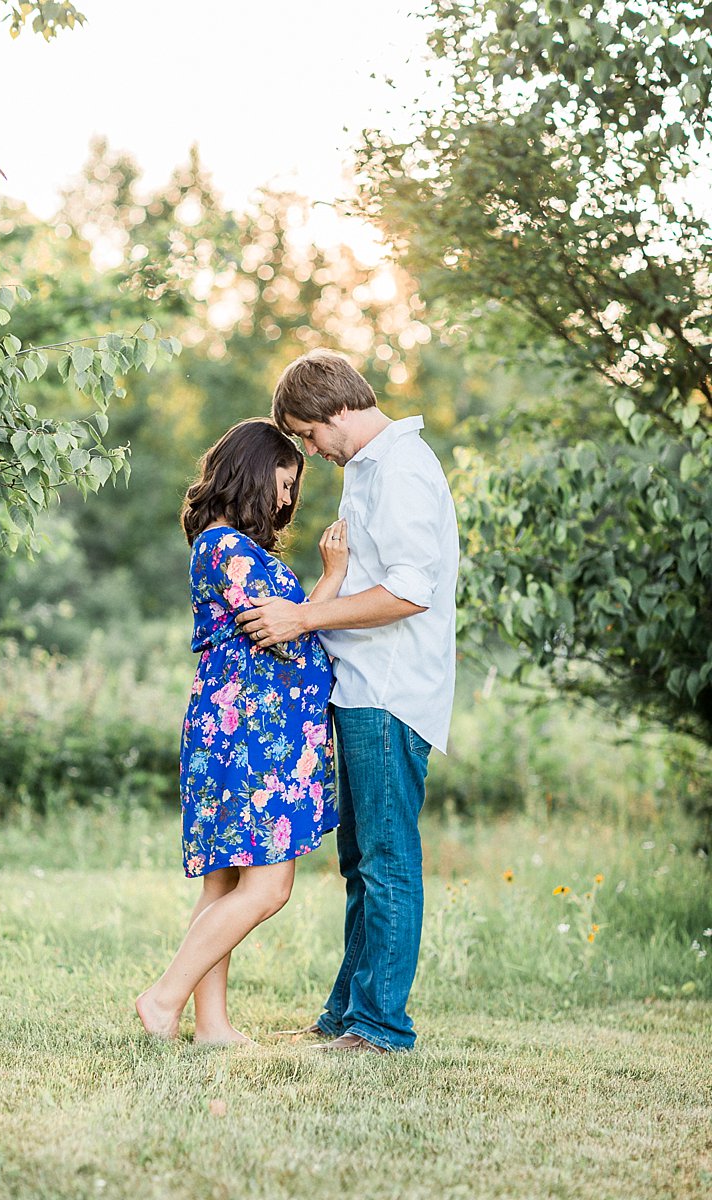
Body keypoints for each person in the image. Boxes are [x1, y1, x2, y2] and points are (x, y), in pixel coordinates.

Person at [236, 350, 459, 1054]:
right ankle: (347, 1016)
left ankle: (382, 1027)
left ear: (335, 411)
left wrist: (301, 619)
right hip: (361, 690)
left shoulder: (401, 469)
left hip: (391, 694)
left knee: (387, 860)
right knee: (362, 861)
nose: (309, 449)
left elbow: (407, 593)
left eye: (306, 433)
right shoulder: (369, 468)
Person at [136, 418, 347, 1043]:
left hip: (244, 730)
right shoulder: (226, 549)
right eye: (283, 483)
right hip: (250, 734)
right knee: (268, 887)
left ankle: (212, 1025)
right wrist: (333, 576)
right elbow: (279, 631)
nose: (287, 500)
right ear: (254, 473)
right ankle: (163, 997)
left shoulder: (231, 548)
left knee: (224, 883)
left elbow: (286, 623)